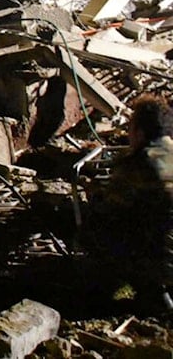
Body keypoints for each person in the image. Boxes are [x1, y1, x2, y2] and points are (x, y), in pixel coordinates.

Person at [90, 93, 173, 314]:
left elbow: (110, 207)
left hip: (163, 254)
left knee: (95, 227)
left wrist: (94, 193)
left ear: (140, 131)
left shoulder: (138, 163)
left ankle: (151, 292)